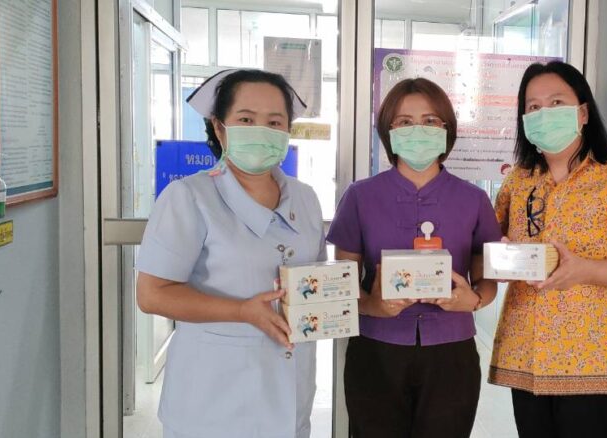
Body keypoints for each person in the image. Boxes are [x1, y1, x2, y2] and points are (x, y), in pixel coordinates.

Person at [134, 69, 324, 438]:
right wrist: (241, 311)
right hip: (213, 402)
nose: (262, 131)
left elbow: (311, 281)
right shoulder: (189, 197)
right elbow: (152, 294)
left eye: (274, 122)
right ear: (219, 129)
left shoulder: (306, 198)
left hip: (289, 396)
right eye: (246, 120)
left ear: (287, 131)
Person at [489, 61, 607, 438]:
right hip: (528, 359)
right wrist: (499, 259)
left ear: (582, 113)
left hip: (597, 361)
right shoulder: (518, 181)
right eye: (533, 107)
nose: (544, 113)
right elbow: (490, 247)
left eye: (556, 102)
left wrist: (584, 269)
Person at [326, 78, 503, 438]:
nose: (418, 130)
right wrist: (373, 305)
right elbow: (342, 284)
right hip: (377, 350)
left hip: (451, 352)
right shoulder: (360, 197)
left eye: (430, 120)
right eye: (405, 122)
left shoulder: (473, 200)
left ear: (446, 130)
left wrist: (474, 300)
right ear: (388, 132)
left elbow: (487, 279)